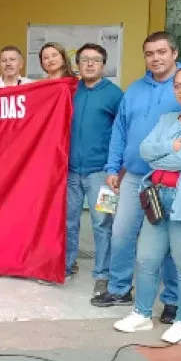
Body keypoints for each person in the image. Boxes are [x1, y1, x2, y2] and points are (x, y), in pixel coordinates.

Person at [93, 31, 181, 324]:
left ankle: (171, 301)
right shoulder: (134, 89)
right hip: (134, 177)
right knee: (122, 234)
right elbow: (120, 129)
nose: (155, 58)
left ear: (174, 54)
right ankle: (119, 289)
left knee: (171, 245)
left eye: (161, 52)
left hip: (176, 182)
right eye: (150, 53)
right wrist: (112, 167)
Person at [113, 66, 181, 344]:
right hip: (159, 198)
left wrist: (164, 153)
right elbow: (144, 150)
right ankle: (141, 313)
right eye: (178, 86)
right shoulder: (167, 119)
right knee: (147, 259)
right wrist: (170, 147)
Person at [66, 43, 124, 294]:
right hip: (69, 172)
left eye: (96, 60)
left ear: (103, 65)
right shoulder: (69, 91)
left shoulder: (114, 94)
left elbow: (123, 132)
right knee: (68, 222)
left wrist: (116, 169)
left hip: (103, 173)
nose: (90, 64)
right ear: (77, 64)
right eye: (85, 60)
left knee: (103, 222)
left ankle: (103, 272)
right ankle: (66, 265)